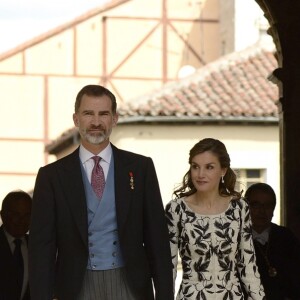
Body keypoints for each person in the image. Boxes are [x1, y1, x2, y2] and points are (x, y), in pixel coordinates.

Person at [28, 84, 173, 300]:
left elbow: (157, 240)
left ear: (114, 119)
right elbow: (42, 249)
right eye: (88, 114)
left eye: (103, 114)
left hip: (130, 285)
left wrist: (164, 295)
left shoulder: (141, 168)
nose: (96, 122)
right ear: (76, 119)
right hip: (76, 287)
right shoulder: (52, 176)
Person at [165, 138, 265, 300]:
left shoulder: (239, 208)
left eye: (209, 167)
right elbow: (168, 267)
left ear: (223, 170)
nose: (200, 174)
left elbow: (247, 264)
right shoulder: (176, 209)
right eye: (195, 167)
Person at [245, 183, 300, 300]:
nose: (262, 211)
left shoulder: (286, 238)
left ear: (274, 209)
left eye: (268, 205)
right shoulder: (235, 240)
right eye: (256, 205)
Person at [0, 190, 32, 300]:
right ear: (3, 214)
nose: (21, 221)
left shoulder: (35, 247)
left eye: (27, 215)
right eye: (16, 214)